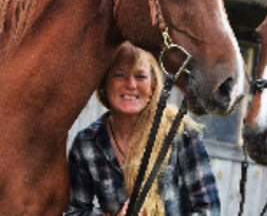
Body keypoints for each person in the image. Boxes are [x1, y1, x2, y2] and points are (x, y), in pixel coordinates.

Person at [65, 41, 220, 216]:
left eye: (140, 76)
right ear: (103, 83)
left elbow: (209, 209)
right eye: (119, 74)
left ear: (153, 85)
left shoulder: (179, 133)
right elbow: (75, 212)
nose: (131, 84)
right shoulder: (87, 143)